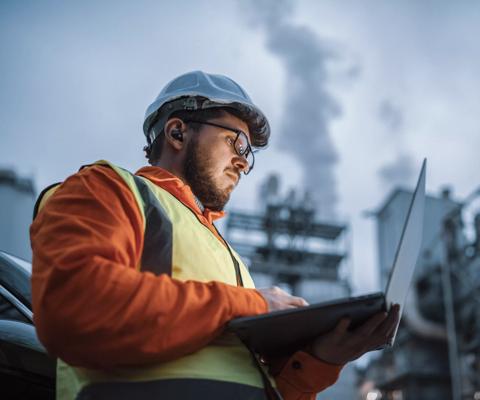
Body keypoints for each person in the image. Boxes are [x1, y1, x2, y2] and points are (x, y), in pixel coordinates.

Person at [30, 71, 399, 400]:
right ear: (177, 132)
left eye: (249, 155)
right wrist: (252, 304)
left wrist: (321, 360)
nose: (243, 161)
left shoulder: (228, 257)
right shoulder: (107, 189)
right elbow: (76, 306)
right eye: (236, 143)